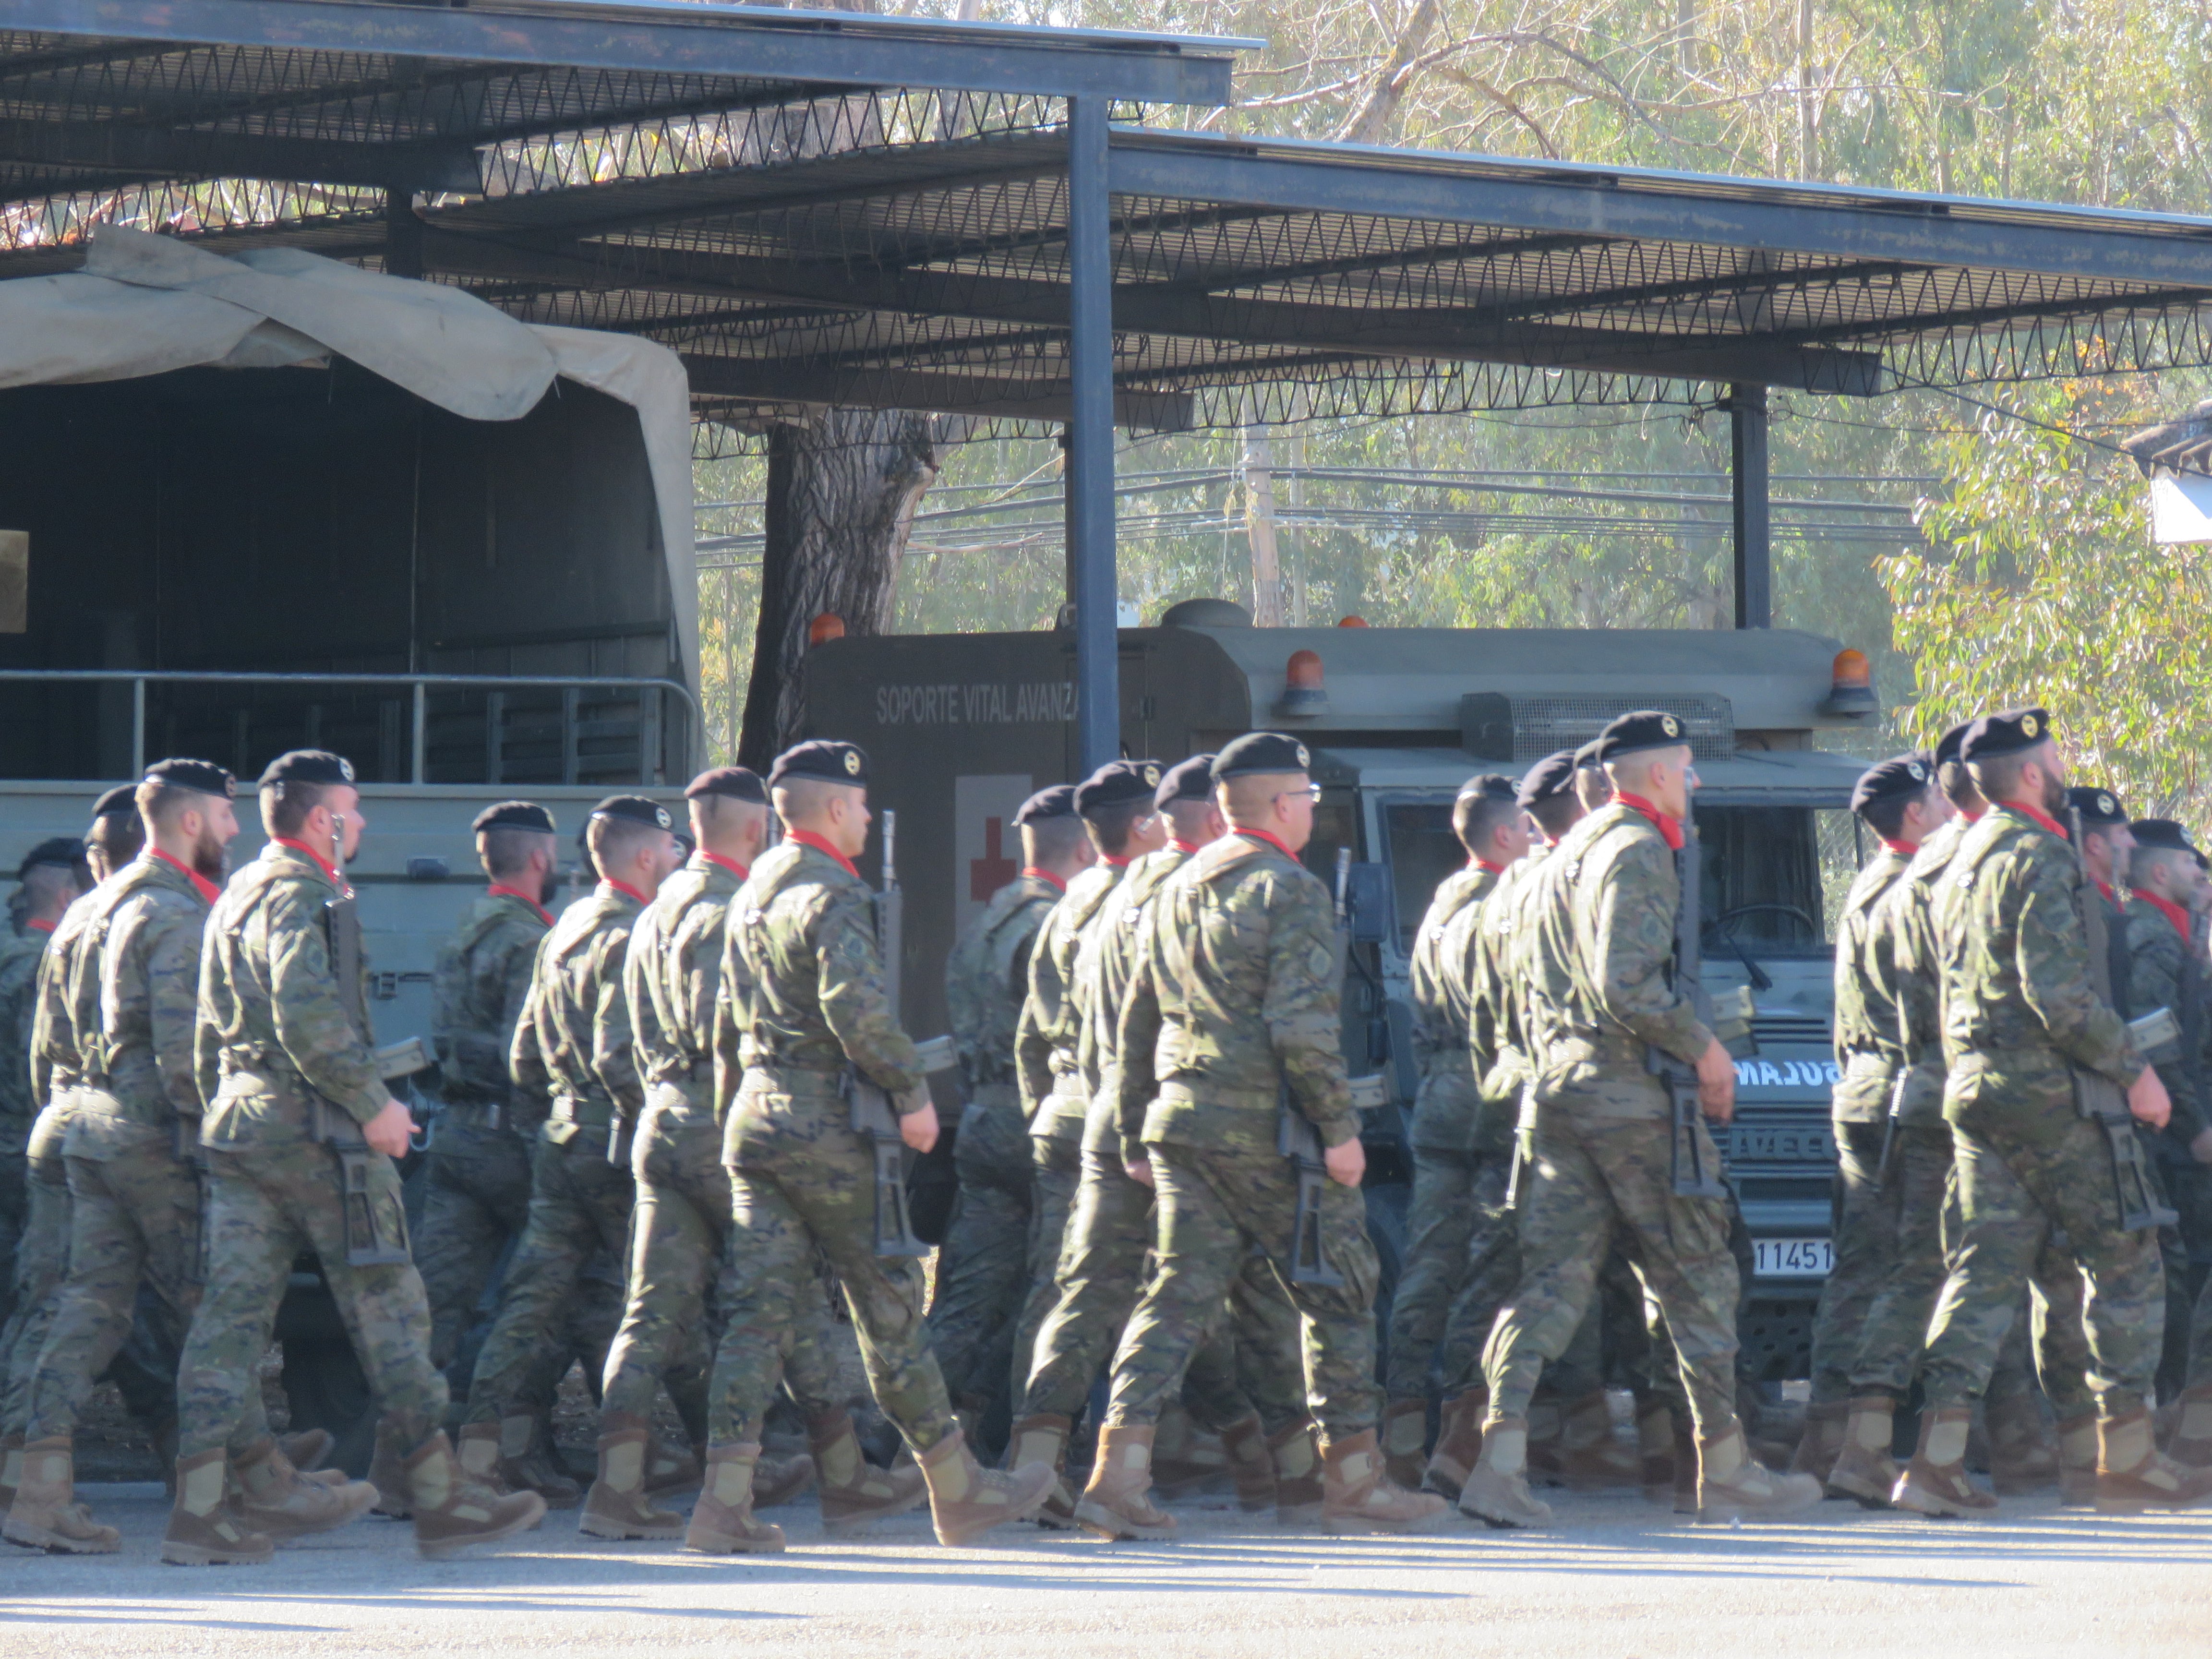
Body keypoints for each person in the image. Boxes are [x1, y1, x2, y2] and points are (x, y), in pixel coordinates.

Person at [169, 749, 543, 1563]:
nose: (364, 822)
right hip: (320, 1135)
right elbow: (307, 1014)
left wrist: (225, 1112)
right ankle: (439, 1497)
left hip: (241, 1126)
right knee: (392, 1309)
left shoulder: (234, 893)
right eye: (355, 808)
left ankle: (200, 1510)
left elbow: (206, 1032)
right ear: (320, 820)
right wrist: (374, 1106)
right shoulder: (303, 893)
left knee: (229, 1321)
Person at [1073, 733, 1446, 1539]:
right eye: (1308, 798)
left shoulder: (1173, 886)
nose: (1312, 811)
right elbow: (1302, 1028)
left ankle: (1116, 1476)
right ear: (1283, 805)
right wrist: (1341, 1131)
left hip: (1182, 1126)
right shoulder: (1292, 891)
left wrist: (1138, 1126)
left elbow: (1136, 1021)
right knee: (1340, 1292)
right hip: (1268, 1135)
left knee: (1174, 1297)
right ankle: (1353, 1480)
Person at [1465, 710, 1820, 1527]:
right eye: (1686, 767)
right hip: (1628, 1098)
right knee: (1698, 1275)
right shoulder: (1634, 848)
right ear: (1655, 775)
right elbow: (1626, 981)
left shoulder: (1561, 858)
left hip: (1558, 1096)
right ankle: (1726, 1468)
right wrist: (1706, 1049)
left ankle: (1499, 1461)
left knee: (1549, 1286)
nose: (1694, 783)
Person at [698, 740, 1055, 1551]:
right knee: (889, 1303)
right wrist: (911, 1093)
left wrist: (736, 1113)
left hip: (755, 1118)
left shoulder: (752, 889)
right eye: (859, 804)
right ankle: (958, 1488)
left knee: (755, 1316)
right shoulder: (831, 893)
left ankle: (721, 1506)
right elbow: (856, 1011)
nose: (865, 815)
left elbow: (724, 1021)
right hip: (827, 1126)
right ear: (833, 809)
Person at [1893, 709, 2205, 1515]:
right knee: (2128, 1255)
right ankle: (2126, 1458)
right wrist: (2134, 1071)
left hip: (1976, 1089)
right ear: (2031, 774)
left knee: (1985, 1271)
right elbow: (2059, 995)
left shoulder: (1957, 857)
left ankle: (1937, 1460)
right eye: (2054, 754)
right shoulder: (2039, 854)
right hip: (2049, 1095)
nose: (2064, 763)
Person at [1013, 755, 1305, 1528]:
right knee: (1258, 1297)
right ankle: (1294, 1471)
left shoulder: (1106, 895)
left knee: (1090, 1295)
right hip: (1182, 1123)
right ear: (1219, 817)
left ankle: (1037, 1466)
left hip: (1108, 1116)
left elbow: (1040, 1031)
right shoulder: (1195, 893)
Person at [5, 762, 257, 1551]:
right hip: (150, 1135)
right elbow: (187, 1056)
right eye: (224, 814)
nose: (235, 829)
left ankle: (34, 1487)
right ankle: (228, 1490)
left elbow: (46, 1050)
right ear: (187, 822)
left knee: (84, 1306)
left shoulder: (85, 915)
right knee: (212, 1304)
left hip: (78, 1129)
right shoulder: (171, 913)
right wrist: (218, 1132)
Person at [583, 767, 825, 1546]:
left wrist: (655, 1106)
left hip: (658, 1123)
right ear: (758, 832)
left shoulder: (651, 914)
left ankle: (615, 1491)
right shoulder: (731, 910)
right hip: (718, 1130)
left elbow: (611, 1049)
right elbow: (732, 1038)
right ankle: (815, 1478)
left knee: (648, 1314)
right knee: (777, 1298)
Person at [458, 796, 687, 1509]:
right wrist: (641, 1124)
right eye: (672, 852)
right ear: (645, 856)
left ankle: (475, 1459)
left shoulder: (566, 930)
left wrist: (551, 1123)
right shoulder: (629, 932)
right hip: (610, 1142)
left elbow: (524, 1056)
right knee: (657, 1298)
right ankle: (674, 1461)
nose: (680, 862)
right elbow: (621, 1057)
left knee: (530, 1308)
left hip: (558, 1140)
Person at [417, 799, 587, 1510]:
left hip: (455, 1134)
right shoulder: (531, 938)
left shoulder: (464, 929)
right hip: (508, 1140)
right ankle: (514, 1446)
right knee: (546, 1293)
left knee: (438, 1308)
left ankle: (416, 1463)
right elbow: (535, 1052)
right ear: (541, 859)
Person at [1793, 753, 1949, 1481]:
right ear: (1915, 814)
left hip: (1860, 1089)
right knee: (1916, 1266)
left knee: (1858, 1270)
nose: (1951, 806)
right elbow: (1931, 1008)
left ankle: (1825, 1432)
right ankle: (1867, 1438)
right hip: (1906, 1091)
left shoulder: (1866, 884)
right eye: (1938, 798)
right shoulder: (1918, 887)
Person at [929, 784, 1091, 1439]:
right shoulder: (1058, 925)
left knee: (971, 1298)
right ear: (1084, 848)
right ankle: (1032, 1442)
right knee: (1056, 1287)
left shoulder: (987, 923)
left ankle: (919, 1433)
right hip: (1040, 1119)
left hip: (981, 1122)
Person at [1381, 774, 1527, 1488]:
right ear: (1504, 835)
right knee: (1489, 1268)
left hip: (1439, 1094)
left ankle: (1404, 1434)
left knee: (1426, 1265)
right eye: (1526, 828)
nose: (1533, 839)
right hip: (1492, 1099)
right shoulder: (1508, 903)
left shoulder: (1441, 902)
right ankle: (1461, 1439)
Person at [0, 804, 139, 1513]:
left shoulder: (18, 956)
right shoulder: (41, 967)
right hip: (41, 1164)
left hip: (26, 1154)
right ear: (68, 893)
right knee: (66, 1304)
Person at [1008, 763, 1149, 1399]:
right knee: (1158, 1282)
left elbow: (1030, 1036)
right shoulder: (1142, 903)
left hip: (1061, 1116)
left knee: (1053, 1288)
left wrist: (1044, 1110)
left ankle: (1030, 1443)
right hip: (1115, 1117)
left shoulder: (1068, 905)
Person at [2126, 819, 2212, 1459]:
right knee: (2180, 1270)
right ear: (2162, 872)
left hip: (2177, 1126)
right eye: (2191, 865)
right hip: (2170, 1133)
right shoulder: (2153, 939)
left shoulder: (2179, 935)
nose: (2200, 877)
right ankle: (2181, 1411)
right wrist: (2197, 1126)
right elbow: (2160, 1048)